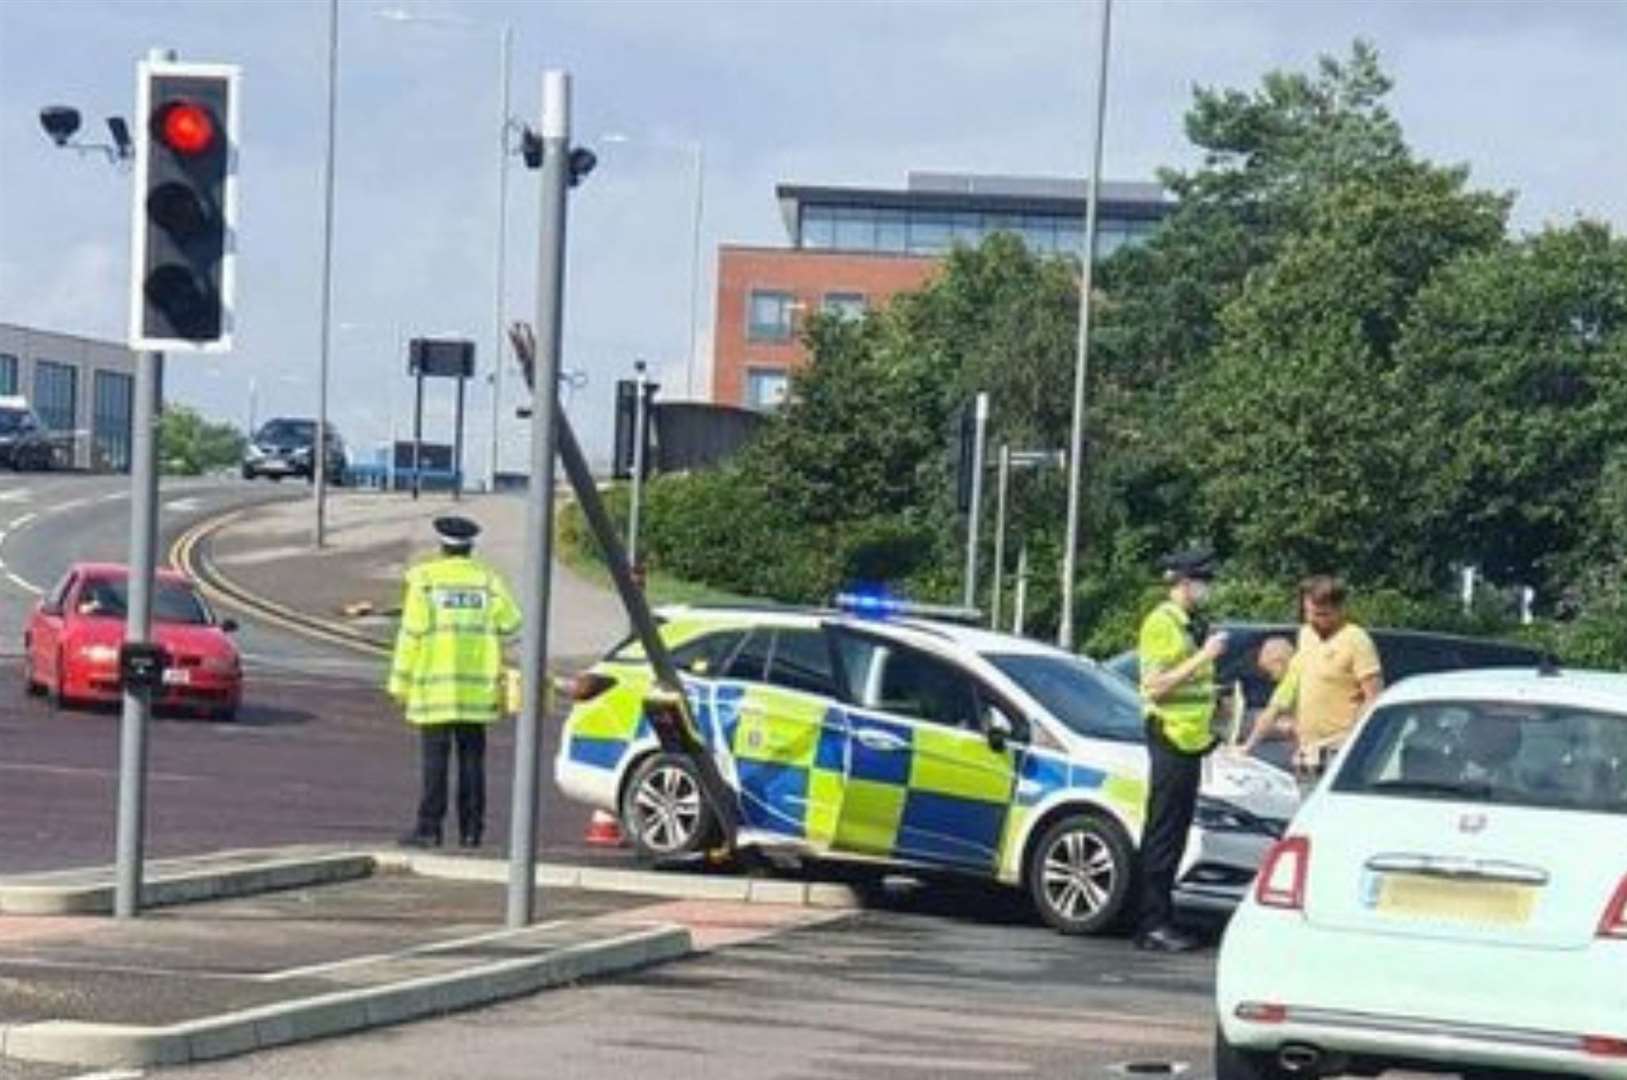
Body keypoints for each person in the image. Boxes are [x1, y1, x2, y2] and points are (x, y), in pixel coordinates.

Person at [390, 515, 523, 849]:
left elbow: (411, 635)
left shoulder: (425, 581)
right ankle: (471, 831)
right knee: (472, 762)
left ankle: (429, 829)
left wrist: (399, 683)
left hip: (434, 688)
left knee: (435, 762)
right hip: (477, 689)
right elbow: (512, 623)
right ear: (470, 548)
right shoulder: (488, 582)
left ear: (442, 547)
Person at [1135, 548, 1228, 953]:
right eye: (1202, 581)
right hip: (1170, 737)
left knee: (1175, 833)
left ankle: (1162, 917)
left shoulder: (1189, 624)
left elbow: (1190, 685)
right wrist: (1205, 658)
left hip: (1189, 739)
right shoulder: (1162, 623)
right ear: (1184, 582)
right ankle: (1151, 923)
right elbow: (1154, 686)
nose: (1207, 588)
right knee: (1163, 832)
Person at [1240, 576, 1383, 781]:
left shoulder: (1357, 641)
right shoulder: (1306, 635)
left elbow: (1374, 698)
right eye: (1308, 612)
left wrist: (1353, 743)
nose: (1312, 619)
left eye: (1321, 614)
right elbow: (1282, 698)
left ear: (1340, 609)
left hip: (1340, 751)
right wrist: (1249, 745)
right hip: (1307, 751)